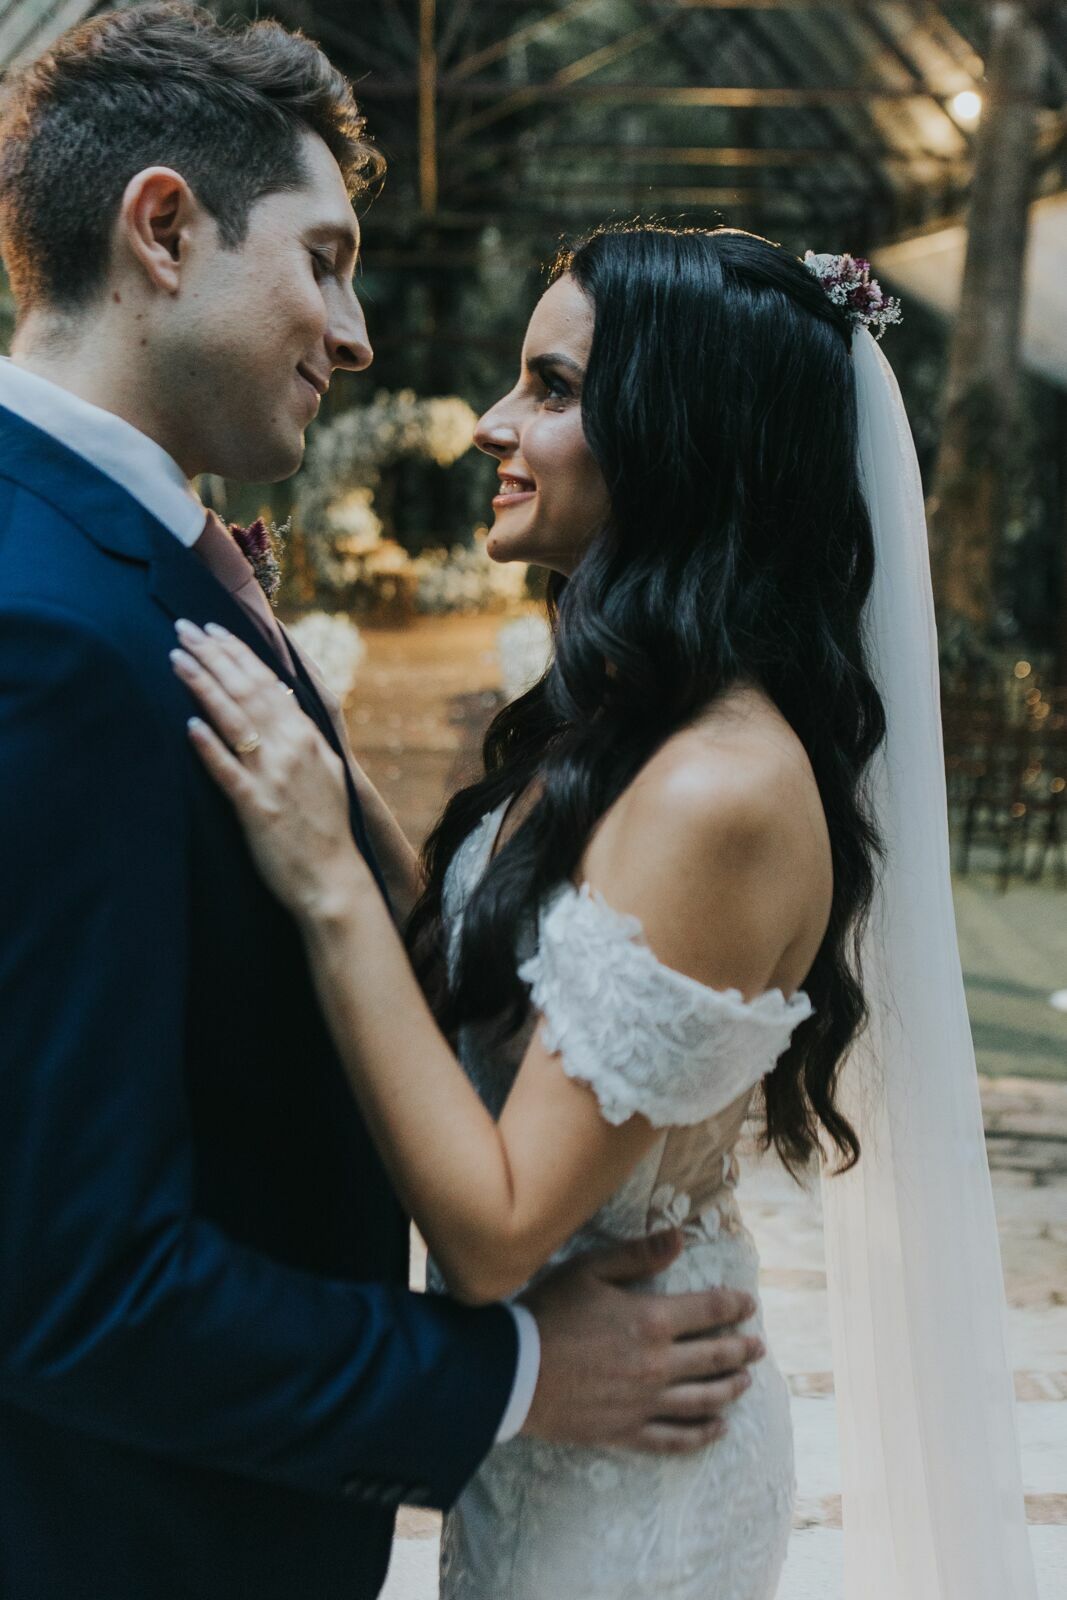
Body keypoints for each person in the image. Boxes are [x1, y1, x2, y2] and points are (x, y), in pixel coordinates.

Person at [0, 12, 764, 1600]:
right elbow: (76, 1285)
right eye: (326, 258)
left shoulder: (135, 557)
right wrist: (509, 1382)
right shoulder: (50, 630)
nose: (357, 334)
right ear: (162, 229)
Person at [177, 224, 1039, 1600]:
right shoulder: (640, 725)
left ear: (684, 435)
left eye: (554, 388)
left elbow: (496, 1225)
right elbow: (471, 961)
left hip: (635, 1489)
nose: (489, 425)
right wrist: (298, 706)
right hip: (566, 1432)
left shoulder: (721, 793)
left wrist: (324, 878)